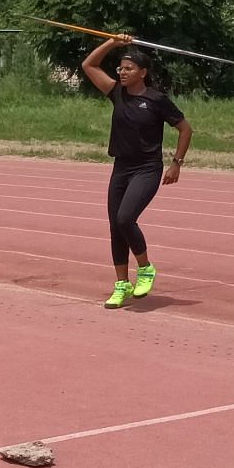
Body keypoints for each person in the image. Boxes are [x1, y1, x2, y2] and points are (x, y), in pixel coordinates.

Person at [81, 35, 192, 308]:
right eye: (120, 68)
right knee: (115, 228)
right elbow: (89, 65)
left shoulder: (157, 100)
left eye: (128, 68)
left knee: (125, 218)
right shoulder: (116, 92)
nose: (122, 72)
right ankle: (121, 285)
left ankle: (145, 269)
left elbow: (185, 129)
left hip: (147, 169)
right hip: (121, 167)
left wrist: (176, 162)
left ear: (143, 73)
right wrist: (111, 42)